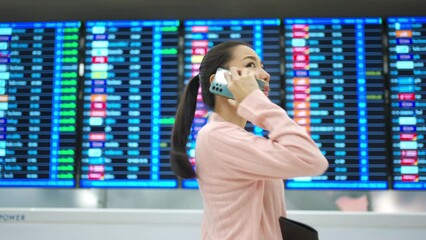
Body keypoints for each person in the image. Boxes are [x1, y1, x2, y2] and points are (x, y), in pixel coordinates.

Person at [170, 40, 329, 240]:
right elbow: (312, 160)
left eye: (262, 66)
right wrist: (255, 101)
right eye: (250, 65)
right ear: (220, 81)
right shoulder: (217, 138)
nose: (266, 74)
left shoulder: (237, 138)